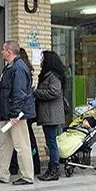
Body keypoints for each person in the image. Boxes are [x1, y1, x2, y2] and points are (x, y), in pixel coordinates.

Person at [0, 40, 36, 185]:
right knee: (2, 142)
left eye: (3, 49)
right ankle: (1, 174)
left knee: (21, 145)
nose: (1, 51)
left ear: (9, 51)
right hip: (8, 114)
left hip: (15, 115)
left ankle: (27, 176)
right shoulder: (10, 66)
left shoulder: (18, 67)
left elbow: (19, 93)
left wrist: (14, 114)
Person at [35, 50, 66, 181]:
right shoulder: (49, 75)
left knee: (51, 142)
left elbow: (54, 92)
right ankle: (52, 169)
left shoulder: (53, 76)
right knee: (51, 141)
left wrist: (37, 93)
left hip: (51, 114)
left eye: (43, 59)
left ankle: (54, 170)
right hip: (48, 114)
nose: (41, 62)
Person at [9, 48, 41, 176]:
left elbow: (19, 93)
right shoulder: (27, 70)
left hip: (21, 112)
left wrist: (14, 113)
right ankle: (35, 164)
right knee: (28, 140)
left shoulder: (19, 70)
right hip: (26, 111)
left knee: (22, 142)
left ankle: (20, 167)